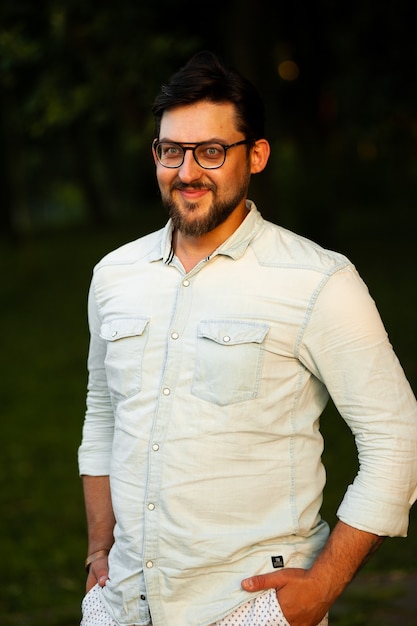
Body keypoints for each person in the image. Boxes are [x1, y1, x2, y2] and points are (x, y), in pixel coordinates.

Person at [78, 51, 417, 626]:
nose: (186, 172)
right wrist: (98, 550)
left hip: (250, 609)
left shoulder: (318, 281)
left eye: (211, 151)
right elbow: (104, 415)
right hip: (121, 605)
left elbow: (398, 440)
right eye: (171, 151)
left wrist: (319, 590)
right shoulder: (114, 276)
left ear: (255, 155)